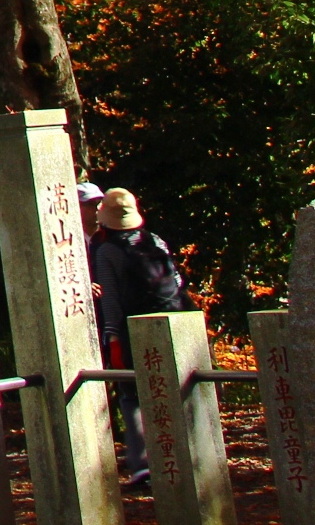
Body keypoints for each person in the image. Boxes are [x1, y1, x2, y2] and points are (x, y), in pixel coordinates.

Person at [91, 187, 186, 489]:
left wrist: (113, 338)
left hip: (133, 330)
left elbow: (111, 301)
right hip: (172, 323)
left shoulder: (107, 251)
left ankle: (143, 465)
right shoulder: (154, 240)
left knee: (131, 396)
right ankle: (183, 455)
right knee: (172, 387)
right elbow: (178, 280)